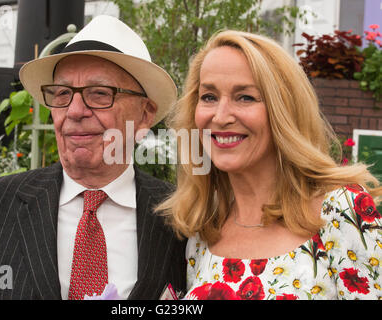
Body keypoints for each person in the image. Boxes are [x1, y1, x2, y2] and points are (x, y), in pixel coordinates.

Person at [0, 15, 186, 300]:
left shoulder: (181, 215)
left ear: (144, 115)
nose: (74, 110)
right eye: (62, 93)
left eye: (99, 93)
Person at [156, 29, 382, 300]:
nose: (220, 115)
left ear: (283, 111)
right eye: (209, 97)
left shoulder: (341, 211)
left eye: (245, 97)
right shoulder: (203, 230)